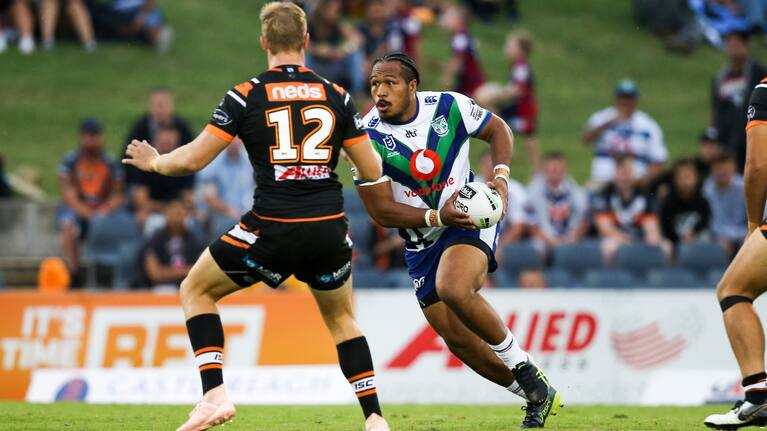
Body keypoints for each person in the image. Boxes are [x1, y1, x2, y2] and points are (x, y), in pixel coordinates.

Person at [121, 3, 389, 430]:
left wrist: (154, 162)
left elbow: (192, 160)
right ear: (305, 42)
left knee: (195, 289)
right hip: (328, 226)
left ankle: (214, 396)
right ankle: (375, 419)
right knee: (342, 319)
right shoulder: (336, 95)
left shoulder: (246, 94)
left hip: (272, 227)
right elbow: (372, 170)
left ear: (264, 42)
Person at [356, 52, 562, 428]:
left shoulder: (449, 106)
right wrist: (436, 216)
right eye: (374, 84)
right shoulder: (365, 137)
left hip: (468, 216)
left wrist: (500, 176)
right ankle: (536, 394)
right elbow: (381, 212)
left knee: (452, 286)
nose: (380, 91)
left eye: (390, 83)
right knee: (460, 342)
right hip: (421, 239)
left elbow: (498, 129)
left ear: (413, 86)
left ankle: (521, 363)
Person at [704, 77, 767, 428]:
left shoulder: (765, 91)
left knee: (733, 290)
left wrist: (753, 224)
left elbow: (758, 165)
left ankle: (758, 396)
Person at [57, 118, 124, 277]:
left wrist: (105, 210)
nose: (91, 141)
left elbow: (118, 194)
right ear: (81, 137)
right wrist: (89, 214)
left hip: (104, 211)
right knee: (69, 226)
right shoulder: (70, 162)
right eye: (87, 136)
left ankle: (115, 274)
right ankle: (72, 274)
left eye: (94, 136)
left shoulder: (111, 162)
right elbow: (69, 196)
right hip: (78, 211)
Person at [582, 79, 667, 186]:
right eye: (622, 98)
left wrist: (643, 181)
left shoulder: (648, 125)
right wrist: (610, 121)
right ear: (615, 99)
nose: (625, 103)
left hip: (636, 181)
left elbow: (659, 160)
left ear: (636, 101)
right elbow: (586, 139)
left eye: (629, 99)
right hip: (603, 179)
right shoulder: (601, 117)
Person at [475, 31, 540, 168]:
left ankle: (536, 169)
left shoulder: (521, 66)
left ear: (520, 49)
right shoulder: (517, 65)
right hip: (519, 107)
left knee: (529, 138)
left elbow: (518, 89)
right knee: (496, 117)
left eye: (510, 45)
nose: (506, 48)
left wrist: (497, 95)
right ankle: (508, 145)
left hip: (525, 109)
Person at [591, 155, 670, 263]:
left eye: (628, 172)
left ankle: (660, 278)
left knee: (666, 246)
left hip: (640, 239)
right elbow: (606, 229)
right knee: (609, 247)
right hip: (615, 239)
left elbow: (651, 227)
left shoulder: (645, 195)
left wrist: (652, 238)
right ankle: (608, 278)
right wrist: (628, 242)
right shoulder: (604, 195)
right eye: (621, 172)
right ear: (615, 174)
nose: (625, 177)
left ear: (633, 173)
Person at [711, 30, 767, 172]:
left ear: (746, 46)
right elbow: (715, 110)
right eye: (729, 44)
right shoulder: (719, 78)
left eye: (737, 44)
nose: (733, 49)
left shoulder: (759, 74)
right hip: (726, 143)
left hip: (753, 140)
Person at [123, 87, 194, 187]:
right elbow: (128, 157)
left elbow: (190, 155)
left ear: (171, 106)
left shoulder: (182, 127)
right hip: (143, 180)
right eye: (157, 105)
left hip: (176, 180)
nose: (160, 110)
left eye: (163, 105)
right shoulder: (140, 127)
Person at [130, 124, 195, 229]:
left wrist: (176, 211)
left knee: (190, 224)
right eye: (164, 141)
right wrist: (167, 209)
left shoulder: (182, 164)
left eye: (170, 142)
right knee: (153, 223)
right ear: (155, 141)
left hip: (178, 213)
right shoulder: (144, 164)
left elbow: (188, 199)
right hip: (154, 214)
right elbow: (141, 201)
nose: (167, 144)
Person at [526, 152, 589, 258]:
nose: (555, 172)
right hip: (544, 240)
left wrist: (572, 239)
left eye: (558, 169)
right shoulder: (533, 192)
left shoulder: (577, 193)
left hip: (571, 240)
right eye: (552, 169)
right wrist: (552, 241)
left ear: (564, 170)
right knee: (536, 248)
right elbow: (531, 224)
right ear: (544, 170)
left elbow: (584, 221)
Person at [305, 0, 365, 95]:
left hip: (334, 65)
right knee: (304, 56)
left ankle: (358, 91)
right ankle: (303, 87)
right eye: (334, 10)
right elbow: (299, 42)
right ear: (323, 9)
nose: (337, 13)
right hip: (315, 66)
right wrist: (318, 50)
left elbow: (358, 39)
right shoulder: (310, 23)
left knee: (355, 54)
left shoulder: (338, 23)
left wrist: (342, 50)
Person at [143, 198, 205, 289]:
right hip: (162, 288)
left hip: (191, 286)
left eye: (179, 213)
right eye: (173, 213)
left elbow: (203, 270)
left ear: (186, 215)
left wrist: (168, 272)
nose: (176, 218)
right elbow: (154, 273)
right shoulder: (155, 239)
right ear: (165, 214)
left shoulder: (196, 239)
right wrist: (184, 271)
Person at [196, 137, 255, 226]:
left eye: (238, 138)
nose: (235, 142)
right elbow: (209, 198)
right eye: (232, 138)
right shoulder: (213, 162)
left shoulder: (250, 162)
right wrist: (232, 211)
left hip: (246, 213)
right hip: (221, 215)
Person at [658, 159, 711, 245]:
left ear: (696, 178)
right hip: (675, 244)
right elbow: (666, 228)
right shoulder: (668, 203)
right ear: (675, 180)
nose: (686, 182)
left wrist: (693, 234)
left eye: (688, 177)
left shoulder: (703, 202)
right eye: (682, 177)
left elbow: (705, 223)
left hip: (698, 241)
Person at [704, 153, 747, 255]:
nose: (723, 172)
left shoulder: (745, 187)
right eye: (719, 169)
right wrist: (723, 237)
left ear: (734, 168)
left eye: (726, 169)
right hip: (717, 236)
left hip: (744, 234)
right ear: (712, 170)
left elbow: (759, 218)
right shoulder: (706, 190)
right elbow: (710, 221)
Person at [439, 4, 485, 98]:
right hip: (467, 79)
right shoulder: (462, 35)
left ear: (458, 21)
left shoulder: (459, 36)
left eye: (448, 18)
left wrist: (447, 77)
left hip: (471, 81)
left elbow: (458, 60)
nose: (445, 21)